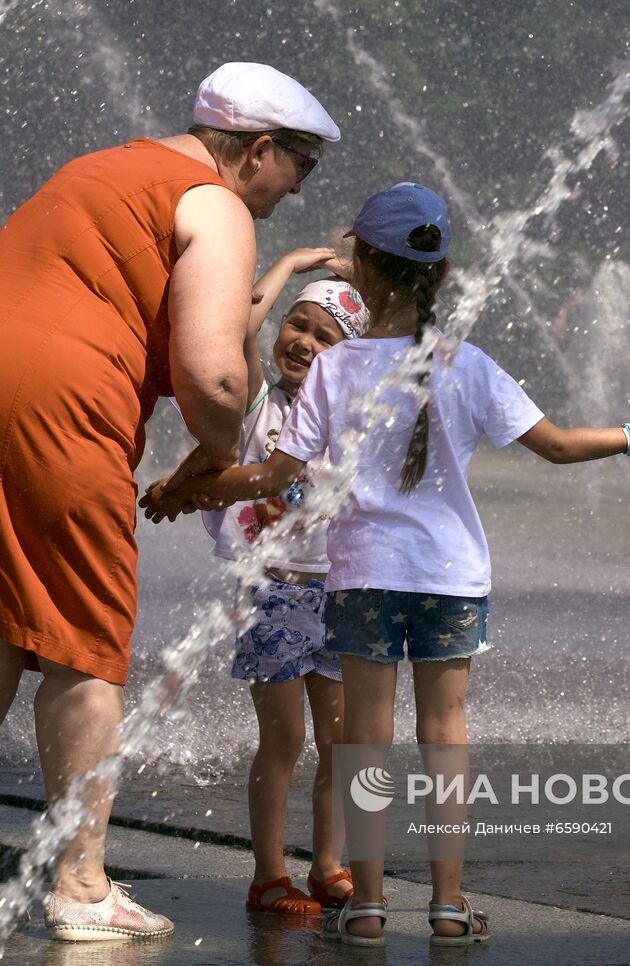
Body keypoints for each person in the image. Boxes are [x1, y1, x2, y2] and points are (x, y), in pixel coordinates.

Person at [141, 183, 630, 946]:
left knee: (365, 745)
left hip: (362, 579)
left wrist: (188, 491)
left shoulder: (336, 369)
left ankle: (369, 907)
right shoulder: (470, 364)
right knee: (445, 736)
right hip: (451, 580)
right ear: (441, 275)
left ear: (364, 269)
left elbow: (276, 477)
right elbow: (557, 446)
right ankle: (449, 905)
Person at [0, 62, 340, 941]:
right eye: (300, 167)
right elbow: (216, 377)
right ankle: (80, 888)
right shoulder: (214, 201)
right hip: (48, 391)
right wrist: (214, 457)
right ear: (257, 149)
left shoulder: (101, 166)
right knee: (84, 647)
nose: (295, 191)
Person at [205, 251, 368, 918]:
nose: (302, 340)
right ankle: (269, 874)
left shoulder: (354, 421)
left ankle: (327, 862)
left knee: (342, 742)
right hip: (273, 589)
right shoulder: (258, 399)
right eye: (297, 325)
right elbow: (240, 319)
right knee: (285, 739)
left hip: (342, 593)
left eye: (323, 335)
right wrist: (296, 261)